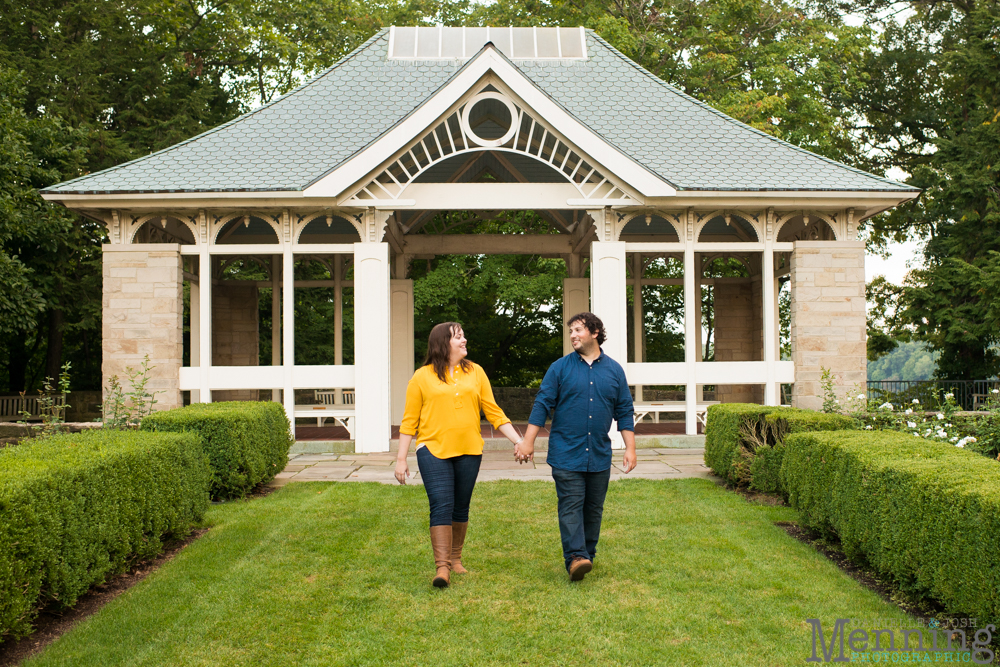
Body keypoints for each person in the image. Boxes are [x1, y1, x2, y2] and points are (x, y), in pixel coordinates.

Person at [394, 322, 524, 588]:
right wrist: (400, 458)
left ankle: (456, 558)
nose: (465, 340)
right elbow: (409, 422)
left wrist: (519, 441)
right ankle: (442, 568)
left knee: (460, 505)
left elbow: (494, 412)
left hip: (469, 449)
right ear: (444, 343)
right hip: (432, 449)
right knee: (441, 504)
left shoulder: (475, 372)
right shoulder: (421, 377)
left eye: (464, 335)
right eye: (459, 337)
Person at [516, 312, 636, 582]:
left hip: (599, 454)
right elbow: (542, 404)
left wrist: (630, 448)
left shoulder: (614, 370)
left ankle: (586, 557)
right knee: (571, 504)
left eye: (578, 330)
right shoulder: (559, 368)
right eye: (570, 331)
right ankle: (575, 557)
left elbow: (624, 410)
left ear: (594, 332)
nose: (573, 335)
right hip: (565, 452)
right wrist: (528, 440)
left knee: (593, 508)